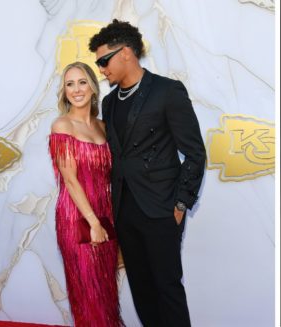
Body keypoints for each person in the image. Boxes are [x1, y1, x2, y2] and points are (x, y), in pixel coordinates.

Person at [88, 19, 206, 326]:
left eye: (104, 61)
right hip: (125, 209)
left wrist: (181, 204)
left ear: (126, 52)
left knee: (167, 287)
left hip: (162, 208)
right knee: (141, 288)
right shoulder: (110, 102)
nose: (102, 69)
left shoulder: (167, 91)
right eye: (98, 64)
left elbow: (195, 152)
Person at [49, 62, 122, 326]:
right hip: (77, 217)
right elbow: (69, 179)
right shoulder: (62, 126)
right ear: (64, 91)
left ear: (92, 86)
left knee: (105, 290)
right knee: (88, 292)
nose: (76, 89)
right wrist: (92, 223)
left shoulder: (103, 127)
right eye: (70, 84)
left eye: (82, 82)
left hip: (104, 215)